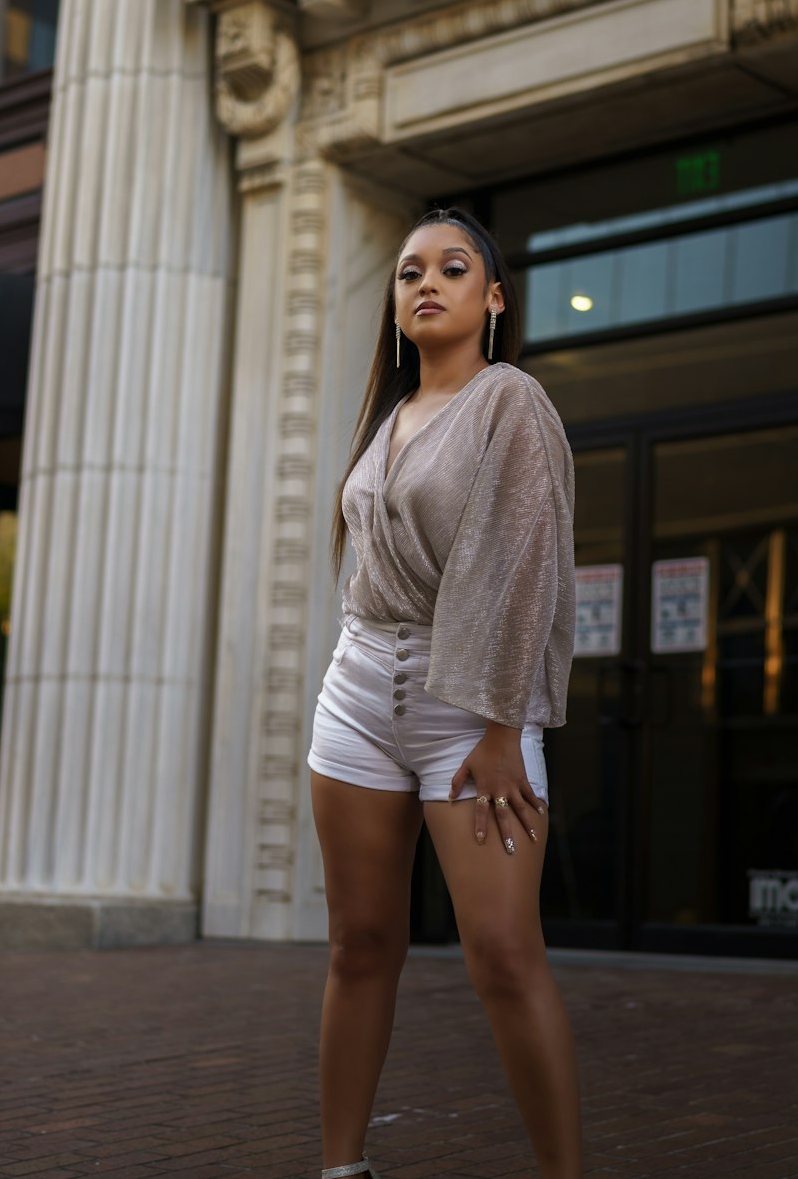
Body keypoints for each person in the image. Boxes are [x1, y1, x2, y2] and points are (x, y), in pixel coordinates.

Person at [310, 207, 583, 1179]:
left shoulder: (510, 401)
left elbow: (530, 567)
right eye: (408, 272)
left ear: (493, 298)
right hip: (353, 694)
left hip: (468, 707)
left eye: (453, 268)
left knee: (503, 954)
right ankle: (342, 1169)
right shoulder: (384, 416)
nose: (425, 284)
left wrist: (509, 726)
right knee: (359, 944)